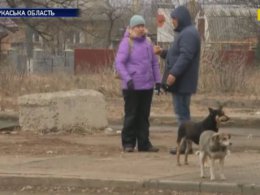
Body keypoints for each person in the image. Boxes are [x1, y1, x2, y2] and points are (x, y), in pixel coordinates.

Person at [154, 6, 201, 154]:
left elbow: (185, 57)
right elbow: (176, 55)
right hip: (182, 82)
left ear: (180, 19)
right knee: (182, 113)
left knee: (182, 114)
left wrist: (173, 74)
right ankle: (186, 145)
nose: (172, 22)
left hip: (182, 82)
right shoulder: (186, 33)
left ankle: (185, 146)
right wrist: (162, 52)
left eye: (174, 19)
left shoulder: (189, 34)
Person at [115, 15, 162, 153]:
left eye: (142, 26)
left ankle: (144, 143)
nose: (141, 29)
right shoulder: (126, 43)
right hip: (131, 86)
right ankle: (128, 143)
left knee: (143, 116)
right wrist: (128, 79)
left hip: (147, 86)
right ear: (131, 28)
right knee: (131, 115)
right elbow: (119, 63)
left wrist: (157, 81)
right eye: (137, 26)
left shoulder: (148, 42)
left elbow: (154, 63)